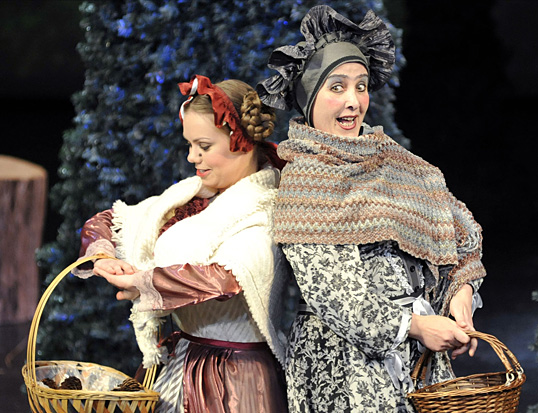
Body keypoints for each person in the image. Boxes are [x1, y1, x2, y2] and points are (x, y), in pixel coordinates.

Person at [257, 5, 486, 412]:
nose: (353, 101)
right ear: (309, 97)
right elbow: (334, 294)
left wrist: (461, 293)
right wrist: (416, 326)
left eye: (361, 86)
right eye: (337, 87)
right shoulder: (305, 180)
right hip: (347, 365)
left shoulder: (395, 162)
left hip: (419, 357)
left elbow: (460, 234)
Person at [75, 75, 290, 413]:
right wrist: (103, 256)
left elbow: (227, 277)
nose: (192, 157)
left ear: (242, 141)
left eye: (204, 146)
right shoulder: (191, 197)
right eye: (190, 145)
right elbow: (112, 220)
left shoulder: (265, 207)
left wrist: (145, 282)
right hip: (181, 362)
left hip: (232, 378)